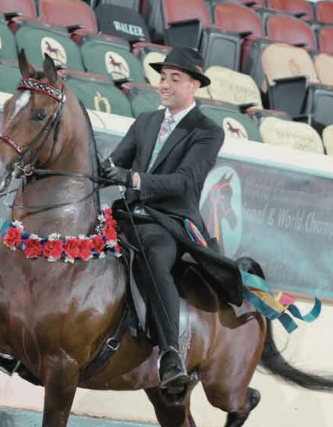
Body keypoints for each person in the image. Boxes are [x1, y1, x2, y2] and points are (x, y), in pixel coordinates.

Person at [100, 47, 240, 394]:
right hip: (127, 215)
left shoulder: (207, 131)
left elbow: (185, 182)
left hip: (167, 223)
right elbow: (114, 164)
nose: (164, 85)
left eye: (174, 79)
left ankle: (170, 353)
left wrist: (133, 180)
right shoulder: (145, 122)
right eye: (162, 78)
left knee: (152, 255)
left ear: (194, 85)